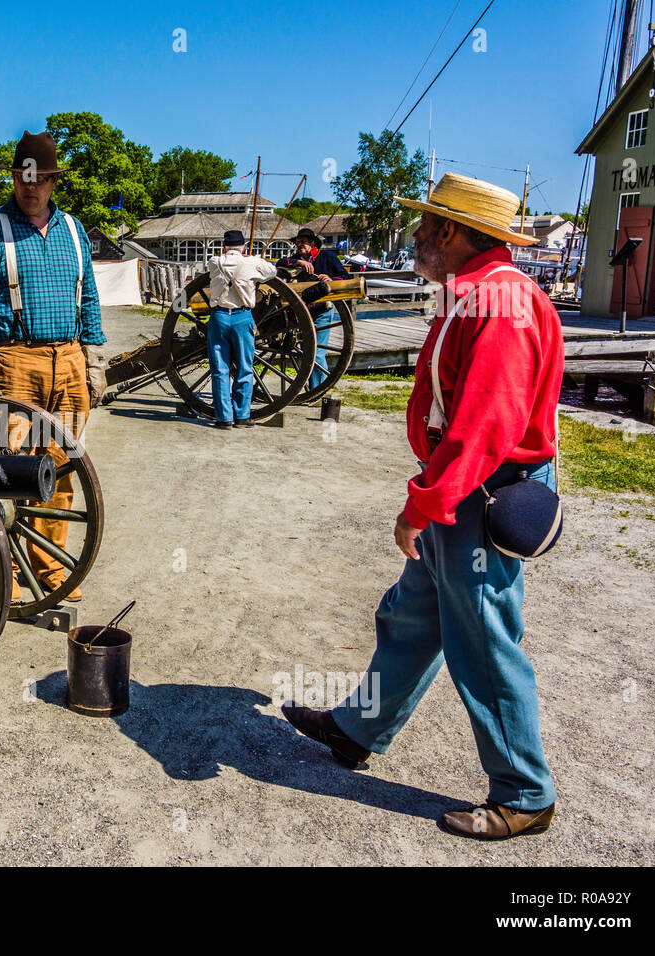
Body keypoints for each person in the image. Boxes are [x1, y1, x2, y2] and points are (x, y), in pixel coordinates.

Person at [280, 173, 565, 841]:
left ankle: (526, 793)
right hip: (459, 482)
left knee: (485, 645)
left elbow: (485, 426)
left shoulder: (500, 304)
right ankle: (357, 730)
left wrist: (426, 502)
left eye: (424, 224)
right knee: (411, 616)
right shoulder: (476, 294)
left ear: (449, 232)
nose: (413, 235)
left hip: (477, 488)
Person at [0, 129, 106, 603]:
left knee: (59, 473)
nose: (30, 187)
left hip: (70, 359)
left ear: (53, 182)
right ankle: (10, 572)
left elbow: (91, 298)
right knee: (15, 470)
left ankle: (51, 569)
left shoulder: (75, 230)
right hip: (14, 360)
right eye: (23, 177)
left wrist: (96, 361)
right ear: (16, 178)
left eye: (39, 179)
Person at [204, 229, 276, 428]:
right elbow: (272, 272)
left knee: (220, 370)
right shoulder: (252, 263)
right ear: (243, 247)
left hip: (218, 317)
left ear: (224, 247)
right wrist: (250, 261)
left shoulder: (214, 262)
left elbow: (209, 268)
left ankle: (224, 418)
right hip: (242, 317)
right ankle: (242, 415)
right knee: (245, 367)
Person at [276, 227, 350, 391]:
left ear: (312, 243)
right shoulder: (295, 259)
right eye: (298, 242)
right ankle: (313, 388)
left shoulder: (327, 257)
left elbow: (345, 276)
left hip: (323, 308)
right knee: (307, 351)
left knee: (317, 351)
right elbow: (280, 264)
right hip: (301, 311)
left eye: (303, 242)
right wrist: (298, 262)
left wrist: (330, 279)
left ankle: (317, 391)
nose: (300, 244)